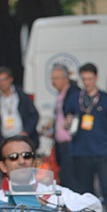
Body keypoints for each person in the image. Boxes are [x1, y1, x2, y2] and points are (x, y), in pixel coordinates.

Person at [0, 135, 103, 212]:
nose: (22, 161)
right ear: (3, 166)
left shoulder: (54, 193)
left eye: (26, 156)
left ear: (34, 162)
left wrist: (56, 208)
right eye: (13, 157)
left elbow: (95, 205)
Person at [64, 63, 107, 212]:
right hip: (82, 151)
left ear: (96, 78)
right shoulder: (74, 99)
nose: (87, 82)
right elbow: (66, 121)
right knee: (85, 190)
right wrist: (67, 123)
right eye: (84, 79)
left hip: (103, 150)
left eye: (90, 79)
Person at [42, 64, 80, 192]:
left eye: (57, 78)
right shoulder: (61, 95)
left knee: (71, 181)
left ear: (66, 79)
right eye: (52, 78)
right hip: (61, 145)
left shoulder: (73, 94)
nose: (54, 82)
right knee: (64, 179)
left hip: (71, 144)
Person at [0, 67, 39, 147]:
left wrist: (26, 131)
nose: (2, 83)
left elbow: (34, 115)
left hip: (22, 138)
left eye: (4, 79)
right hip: (5, 139)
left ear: (10, 79)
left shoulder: (21, 95)